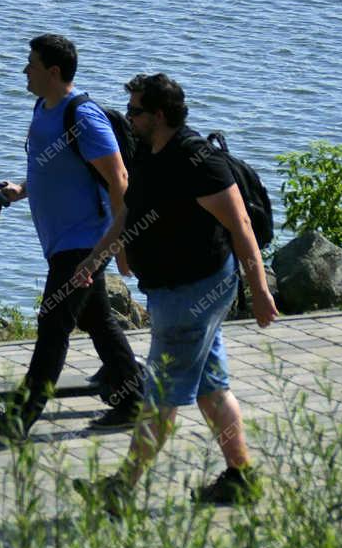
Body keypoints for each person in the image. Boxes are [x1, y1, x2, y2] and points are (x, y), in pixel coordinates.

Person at [73, 72, 278, 513]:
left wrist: (259, 290)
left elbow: (241, 227)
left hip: (195, 292)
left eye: (135, 111)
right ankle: (240, 477)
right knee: (209, 386)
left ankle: (121, 489)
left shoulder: (198, 161)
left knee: (160, 397)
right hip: (171, 292)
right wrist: (96, 260)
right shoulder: (148, 152)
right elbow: (127, 215)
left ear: (159, 115)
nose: (127, 118)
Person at [0, 35, 144, 442]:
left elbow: (119, 178)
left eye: (30, 64)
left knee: (52, 323)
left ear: (53, 72)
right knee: (96, 319)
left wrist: (118, 245)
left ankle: (21, 419)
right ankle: (134, 400)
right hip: (61, 242)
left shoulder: (83, 117)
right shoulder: (43, 109)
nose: (24, 71)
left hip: (85, 242)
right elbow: (54, 171)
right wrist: (21, 189)